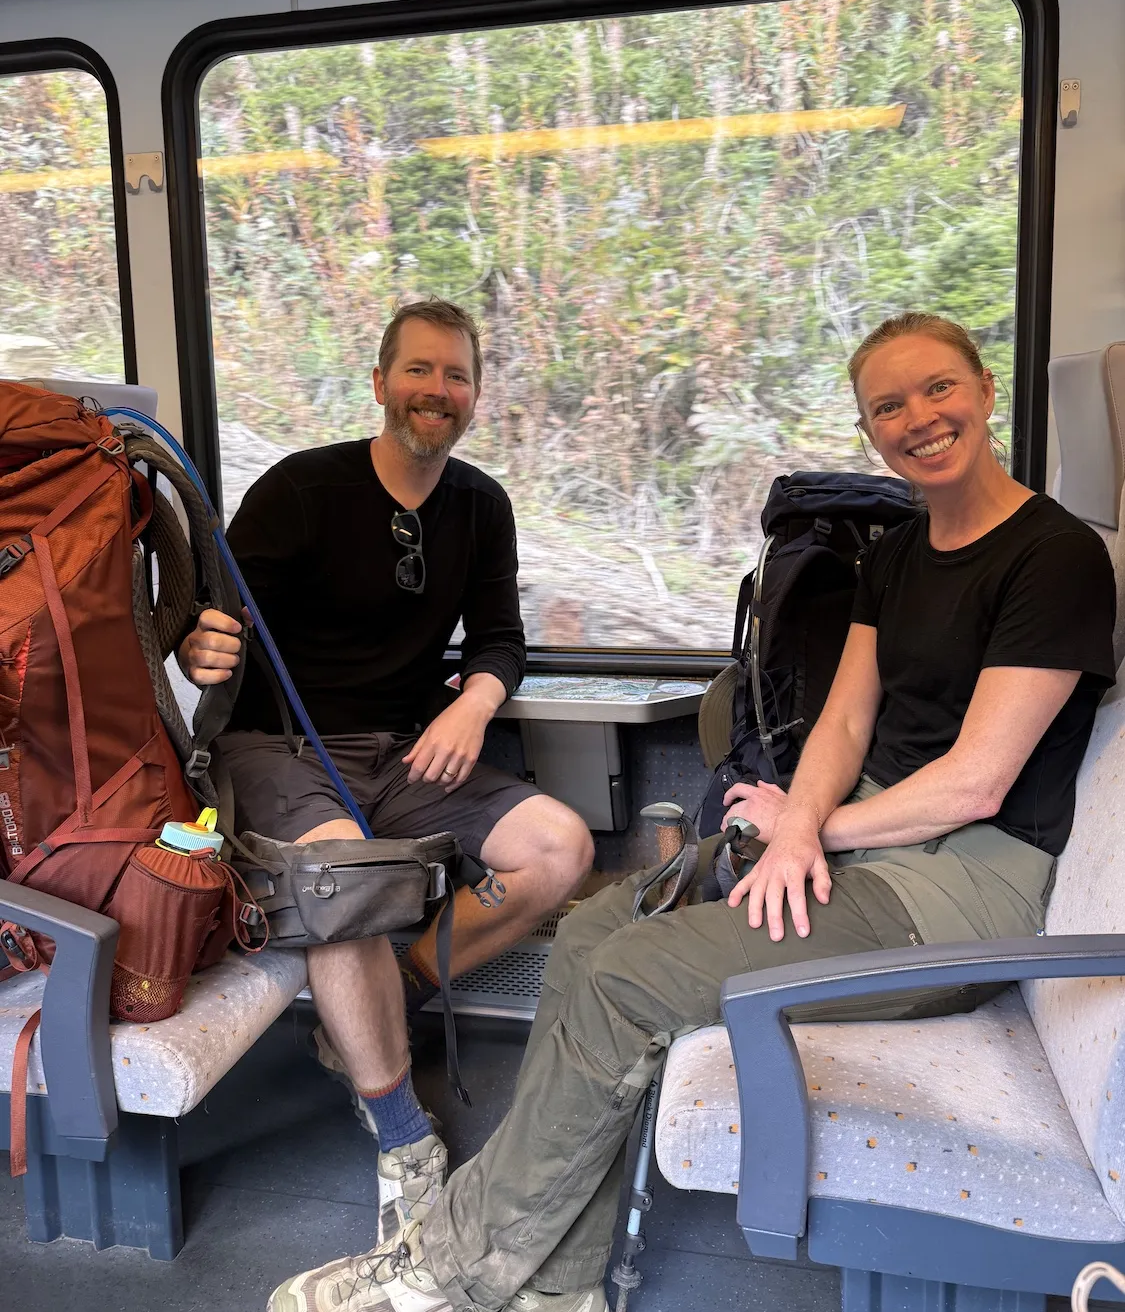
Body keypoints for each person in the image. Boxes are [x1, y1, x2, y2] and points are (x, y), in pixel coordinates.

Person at [267, 312, 1116, 1312]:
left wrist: (813, 829)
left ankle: (452, 1272)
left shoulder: (1056, 557)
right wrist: (800, 814)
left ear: (982, 389)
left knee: (630, 982)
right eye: (888, 405)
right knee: (591, 929)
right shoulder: (896, 555)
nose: (918, 419)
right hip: (867, 844)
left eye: (939, 390)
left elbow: (978, 781)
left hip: (959, 889)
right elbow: (843, 723)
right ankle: (560, 1285)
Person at [179, 297, 594, 1242]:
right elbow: (213, 621)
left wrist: (472, 701)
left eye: (455, 375)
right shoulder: (301, 490)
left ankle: (383, 999)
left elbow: (499, 640)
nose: (436, 390)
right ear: (379, 384)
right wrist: (199, 646)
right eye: (419, 370)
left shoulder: (480, 506)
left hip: (407, 749)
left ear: (475, 396)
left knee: (560, 849)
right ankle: (402, 1133)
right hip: (277, 746)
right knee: (346, 876)